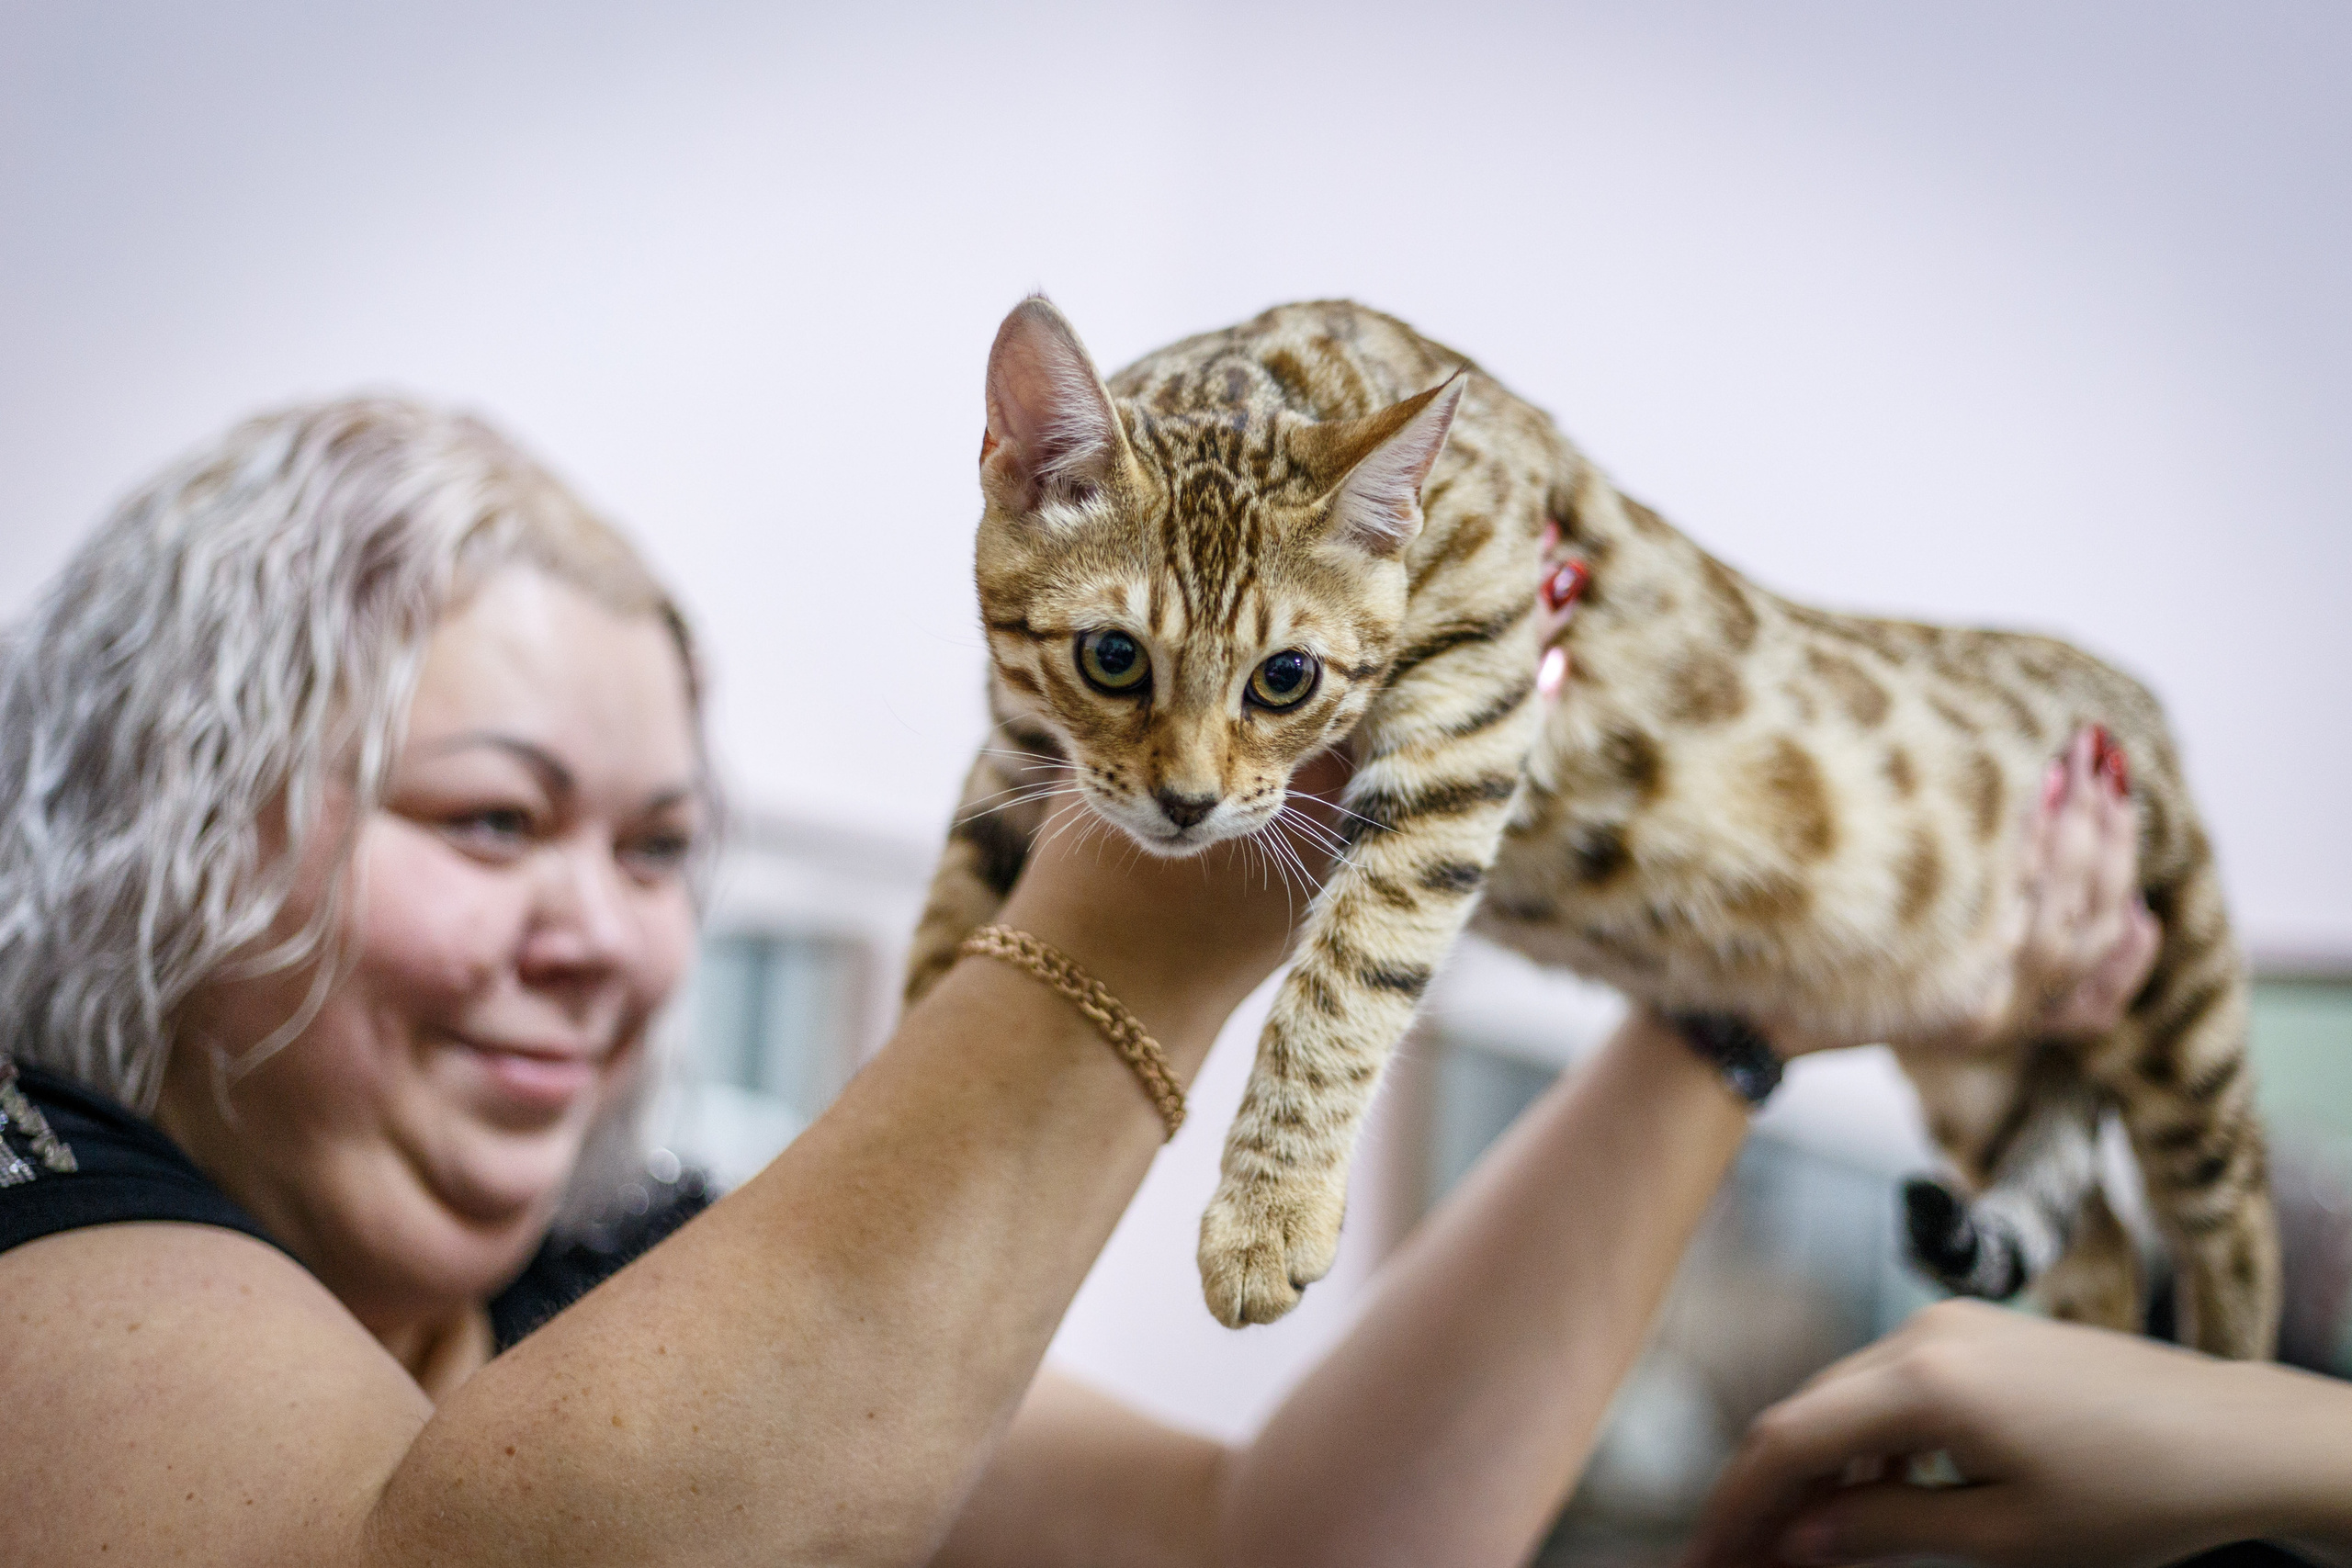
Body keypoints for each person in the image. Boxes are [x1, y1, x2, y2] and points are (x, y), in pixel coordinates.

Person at [0, 396, 2166, 1567]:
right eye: (492, 819)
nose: (604, 937)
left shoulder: (618, 1252)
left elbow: (1281, 1550)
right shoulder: (32, 1203)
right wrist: (1165, 878)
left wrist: (1736, 1012)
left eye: (658, 848)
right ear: (154, 815)